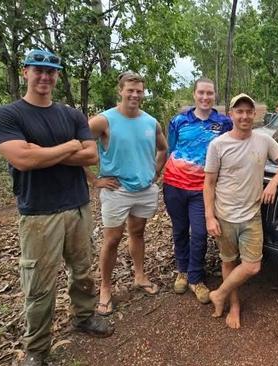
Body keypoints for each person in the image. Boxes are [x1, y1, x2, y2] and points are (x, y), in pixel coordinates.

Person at [0, 49, 113, 366]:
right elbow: (22, 159)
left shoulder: (70, 115)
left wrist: (43, 151)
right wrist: (69, 146)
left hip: (78, 206)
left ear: (57, 76)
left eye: (51, 71)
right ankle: (38, 349)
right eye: (38, 70)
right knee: (40, 285)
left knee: (81, 270)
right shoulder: (7, 115)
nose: (44, 76)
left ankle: (84, 317)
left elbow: (91, 156)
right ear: (25, 72)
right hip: (39, 213)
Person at [205, 93, 278, 329]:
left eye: (248, 111)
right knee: (228, 262)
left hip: (252, 215)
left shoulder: (263, 141)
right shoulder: (218, 145)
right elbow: (209, 183)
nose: (244, 116)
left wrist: (273, 183)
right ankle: (233, 305)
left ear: (255, 114)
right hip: (224, 216)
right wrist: (209, 217)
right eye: (239, 111)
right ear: (231, 114)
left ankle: (219, 293)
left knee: (253, 266)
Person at [87, 71, 168, 316]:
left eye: (139, 91)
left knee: (138, 232)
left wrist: (154, 173)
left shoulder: (150, 122)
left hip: (144, 189)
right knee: (112, 239)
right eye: (130, 90)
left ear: (143, 93)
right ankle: (105, 288)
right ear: (120, 91)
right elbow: (77, 145)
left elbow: (163, 149)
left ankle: (140, 276)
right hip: (116, 190)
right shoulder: (103, 121)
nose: (134, 94)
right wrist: (94, 180)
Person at [161, 78, 232, 304]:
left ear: (215, 96)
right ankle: (182, 271)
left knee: (200, 232)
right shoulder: (179, 120)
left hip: (202, 189)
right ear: (194, 94)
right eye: (201, 92)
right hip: (174, 185)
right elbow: (172, 148)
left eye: (209, 93)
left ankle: (196, 278)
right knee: (180, 229)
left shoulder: (223, 123)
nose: (205, 97)